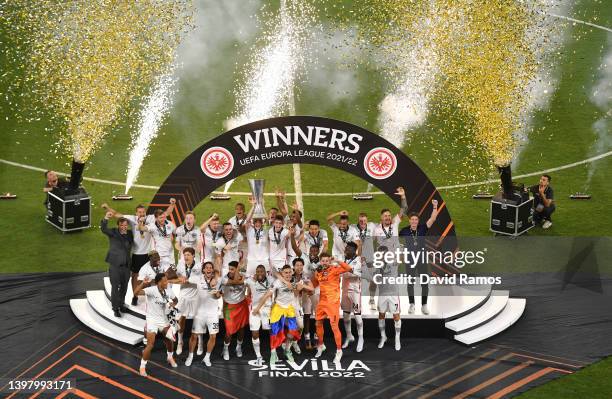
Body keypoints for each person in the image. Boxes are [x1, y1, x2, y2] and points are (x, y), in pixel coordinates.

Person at [101, 200, 175, 305]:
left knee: (152, 275)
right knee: (135, 276)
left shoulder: (150, 218)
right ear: (136, 213)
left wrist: (172, 204)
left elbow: (166, 213)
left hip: (149, 254)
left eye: (143, 212)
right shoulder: (132, 219)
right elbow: (117, 215)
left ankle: (151, 296)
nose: (142, 214)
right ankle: (134, 296)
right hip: (136, 254)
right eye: (139, 212)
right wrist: (107, 207)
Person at [253, 264, 303, 365]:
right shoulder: (277, 282)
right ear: (282, 274)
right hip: (278, 308)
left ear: (292, 272)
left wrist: (297, 289)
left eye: (289, 272)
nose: (288, 274)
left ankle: (287, 350)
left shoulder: (295, 281)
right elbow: (267, 295)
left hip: (289, 308)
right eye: (286, 273)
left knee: (292, 332)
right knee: (274, 333)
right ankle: (273, 352)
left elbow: (296, 294)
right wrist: (257, 308)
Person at [399, 199, 439, 315]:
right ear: (409, 220)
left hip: (421, 259)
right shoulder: (404, 231)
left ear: (418, 221)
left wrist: (435, 206)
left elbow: (433, 219)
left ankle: (424, 305)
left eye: (416, 220)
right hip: (410, 260)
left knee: (424, 283)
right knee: (410, 283)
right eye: (412, 219)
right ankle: (412, 304)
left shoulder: (422, 228)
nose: (414, 221)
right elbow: (395, 239)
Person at [134, 273, 178, 376]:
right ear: (159, 282)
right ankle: (142, 366)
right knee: (150, 344)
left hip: (163, 320)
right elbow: (136, 293)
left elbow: (176, 300)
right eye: (165, 281)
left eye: (167, 280)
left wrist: (173, 304)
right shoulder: (152, 290)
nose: (167, 282)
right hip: (152, 320)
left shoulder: (168, 290)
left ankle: (170, 357)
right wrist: (143, 284)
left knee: (170, 340)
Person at [312, 253, 352, 363]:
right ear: (320, 261)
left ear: (329, 261)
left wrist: (337, 260)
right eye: (323, 260)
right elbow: (314, 284)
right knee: (318, 324)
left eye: (327, 260)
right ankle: (321, 345)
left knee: (334, 327)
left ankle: (339, 351)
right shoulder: (318, 272)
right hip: (322, 302)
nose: (325, 262)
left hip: (333, 303)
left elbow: (348, 268)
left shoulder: (335, 269)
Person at [290, 227, 321, 350]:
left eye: (315, 250)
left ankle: (317, 337)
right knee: (307, 315)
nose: (313, 251)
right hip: (306, 290)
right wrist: (292, 236)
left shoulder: (321, 262)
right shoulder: (304, 256)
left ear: (318, 251)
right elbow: (294, 248)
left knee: (318, 315)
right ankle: (307, 338)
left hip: (316, 290)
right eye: (312, 249)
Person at [186, 261, 221, 367]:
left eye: (211, 267)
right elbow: (184, 280)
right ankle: (190, 356)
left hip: (213, 314)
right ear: (204, 270)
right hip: (200, 313)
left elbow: (218, 296)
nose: (209, 269)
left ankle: (207, 357)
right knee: (194, 336)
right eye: (207, 268)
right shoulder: (198, 279)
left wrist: (214, 288)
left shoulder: (217, 281)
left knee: (213, 336)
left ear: (213, 270)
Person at [169, 247, 202, 356]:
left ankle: (200, 343)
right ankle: (180, 342)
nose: (186, 257)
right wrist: (179, 279)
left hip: (195, 297)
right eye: (185, 255)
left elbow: (199, 281)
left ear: (193, 256)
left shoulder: (199, 266)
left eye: (188, 255)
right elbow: (174, 278)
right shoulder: (180, 265)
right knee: (180, 320)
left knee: (198, 320)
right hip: (183, 296)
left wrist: (186, 280)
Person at [101, 211, 134, 318]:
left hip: (126, 267)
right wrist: (106, 218)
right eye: (121, 225)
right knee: (115, 288)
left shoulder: (130, 234)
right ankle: (115, 308)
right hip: (115, 266)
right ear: (118, 225)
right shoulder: (113, 232)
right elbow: (103, 229)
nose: (124, 227)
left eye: (125, 225)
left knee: (124, 287)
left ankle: (121, 304)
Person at [219, 261, 249, 361]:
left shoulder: (244, 276)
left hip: (241, 305)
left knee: (241, 329)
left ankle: (238, 347)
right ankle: (225, 348)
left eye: (232, 269)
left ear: (237, 270)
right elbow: (235, 282)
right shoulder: (224, 278)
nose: (230, 271)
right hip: (228, 307)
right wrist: (243, 281)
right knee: (229, 330)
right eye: (229, 269)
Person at [246, 264, 274, 365]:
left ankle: (273, 352)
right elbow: (240, 282)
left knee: (271, 331)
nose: (260, 273)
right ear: (255, 273)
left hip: (267, 310)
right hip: (254, 310)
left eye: (262, 271)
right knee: (254, 333)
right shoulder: (250, 281)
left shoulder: (271, 280)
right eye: (258, 271)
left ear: (265, 272)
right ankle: (258, 355)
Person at [375, 246, 402, 351]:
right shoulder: (377, 265)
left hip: (393, 294)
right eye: (380, 254)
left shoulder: (393, 262)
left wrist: (400, 250)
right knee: (381, 315)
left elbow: (401, 260)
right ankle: (383, 337)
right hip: (382, 294)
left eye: (384, 253)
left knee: (396, 316)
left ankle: (397, 338)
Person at [340, 242, 364, 352]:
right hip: (345, 290)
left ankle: (361, 338)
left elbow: (356, 274)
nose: (346, 250)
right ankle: (349, 336)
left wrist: (346, 269)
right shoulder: (343, 259)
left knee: (358, 318)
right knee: (345, 315)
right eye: (346, 248)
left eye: (348, 249)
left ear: (354, 251)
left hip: (355, 291)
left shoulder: (358, 260)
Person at [353, 213, 378, 311]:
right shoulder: (353, 228)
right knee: (356, 282)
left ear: (367, 220)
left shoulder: (372, 225)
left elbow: (383, 225)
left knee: (374, 280)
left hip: (370, 259)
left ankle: (371, 300)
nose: (363, 222)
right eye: (361, 221)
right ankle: (357, 303)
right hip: (358, 259)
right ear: (358, 221)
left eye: (364, 220)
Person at [241, 198, 270, 277]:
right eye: (256, 222)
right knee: (249, 280)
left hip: (264, 258)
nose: (257, 224)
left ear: (261, 223)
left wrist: (263, 206)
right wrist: (253, 206)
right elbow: (247, 220)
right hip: (252, 259)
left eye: (259, 222)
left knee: (266, 278)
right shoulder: (249, 230)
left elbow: (267, 220)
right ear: (253, 223)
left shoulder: (265, 231)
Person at [374, 187, 408, 253]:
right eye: (385, 216)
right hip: (385, 258)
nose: (388, 217)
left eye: (389, 216)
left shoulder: (394, 223)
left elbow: (404, 209)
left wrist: (403, 196)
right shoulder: (376, 229)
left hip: (397, 256)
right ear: (381, 217)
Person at [291, 258, 314, 355]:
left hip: (301, 300)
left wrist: (303, 287)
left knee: (303, 322)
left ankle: (299, 340)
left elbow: (312, 289)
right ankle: (289, 343)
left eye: (301, 265)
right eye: (297, 265)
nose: (299, 267)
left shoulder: (305, 276)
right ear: (293, 266)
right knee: (292, 324)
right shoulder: (289, 275)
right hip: (291, 301)